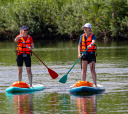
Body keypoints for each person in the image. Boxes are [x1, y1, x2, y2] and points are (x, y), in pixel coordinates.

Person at [78, 23, 97, 87]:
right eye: (84, 28)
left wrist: (91, 44)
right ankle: (83, 84)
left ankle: (95, 84)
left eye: (86, 28)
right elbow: (79, 45)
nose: (84, 29)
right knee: (83, 70)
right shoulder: (82, 36)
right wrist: (79, 54)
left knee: (92, 70)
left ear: (89, 29)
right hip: (84, 54)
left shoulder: (92, 35)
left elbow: (93, 41)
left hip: (91, 54)